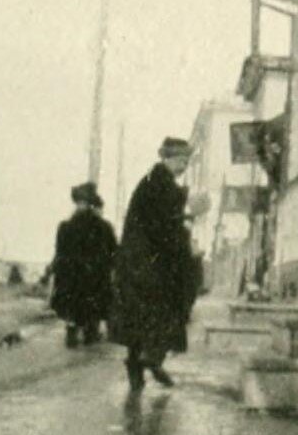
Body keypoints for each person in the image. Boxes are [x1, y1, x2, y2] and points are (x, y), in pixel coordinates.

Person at [112, 137, 199, 391]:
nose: (184, 166)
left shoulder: (152, 180)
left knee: (139, 318)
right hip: (154, 264)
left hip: (138, 263)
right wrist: (188, 218)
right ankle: (152, 358)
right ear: (167, 158)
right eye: (181, 160)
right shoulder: (163, 184)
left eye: (186, 161)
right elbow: (165, 226)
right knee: (168, 309)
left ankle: (137, 369)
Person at [51, 182, 118, 348]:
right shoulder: (104, 227)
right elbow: (113, 253)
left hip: (72, 278)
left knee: (73, 306)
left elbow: (60, 253)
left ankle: (72, 330)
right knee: (92, 306)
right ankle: (89, 332)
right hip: (94, 278)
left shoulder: (66, 227)